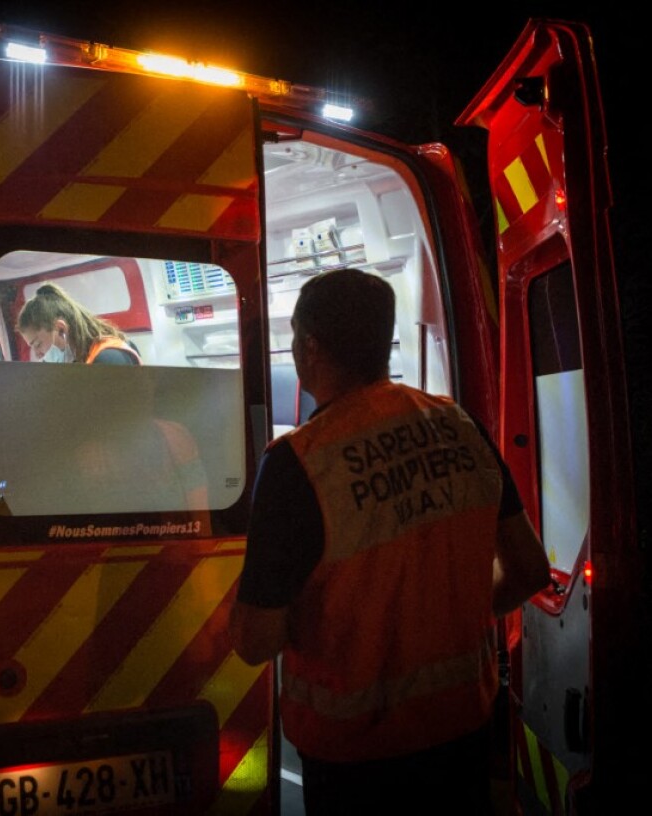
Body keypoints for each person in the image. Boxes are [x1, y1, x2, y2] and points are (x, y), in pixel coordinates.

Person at [228, 268, 550, 814]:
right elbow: (529, 571)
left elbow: (255, 640)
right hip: (463, 737)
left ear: (308, 348)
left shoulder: (298, 464)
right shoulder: (458, 424)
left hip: (356, 761)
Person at [16, 283, 140, 364]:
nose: (38, 355)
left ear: (61, 330)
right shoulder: (81, 360)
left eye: (37, 344)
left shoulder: (108, 358)